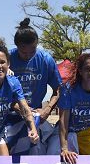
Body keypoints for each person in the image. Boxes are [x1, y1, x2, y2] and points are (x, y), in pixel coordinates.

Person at [9, 18, 63, 155]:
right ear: (16, 46)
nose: (28, 55)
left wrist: (48, 109)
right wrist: (15, 106)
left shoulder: (45, 59)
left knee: (39, 146)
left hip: (37, 115)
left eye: (32, 50)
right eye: (23, 52)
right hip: (11, 115)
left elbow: (59, 89)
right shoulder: (7, 59)